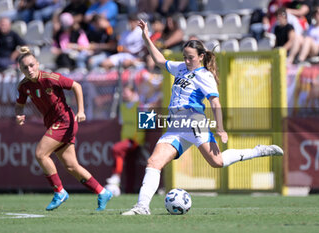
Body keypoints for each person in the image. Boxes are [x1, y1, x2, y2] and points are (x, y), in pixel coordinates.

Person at [121, 20, 284, 215]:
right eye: (185, 57)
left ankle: (258, 151)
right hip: (175, 127)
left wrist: (221, 129)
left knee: (218, 162)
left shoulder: (204, 76)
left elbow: (215, 103)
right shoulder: (181, 68)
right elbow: (159, 61)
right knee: (154, 163)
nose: (187, 61)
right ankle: (142, 207)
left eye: (190, 57)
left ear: (200, 57)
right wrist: (146, 37)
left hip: (194, 124)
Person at [15, 46, 112, 211]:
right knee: (71, 166)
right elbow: (19, 105)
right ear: (20, 69)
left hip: (65, 121)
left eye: (32, 65)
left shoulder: (50, 78)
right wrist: (19, 115)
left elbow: (77, 86)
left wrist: (81, 110)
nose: (29, 69)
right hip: (54, 123)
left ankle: (59, 191)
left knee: (40, 153)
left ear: (37, 64)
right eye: (25, 67)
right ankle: (102, 191)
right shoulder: (24, 86)